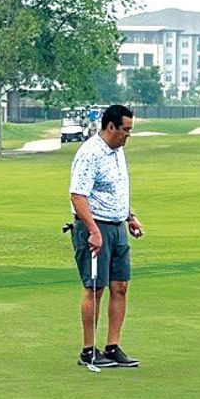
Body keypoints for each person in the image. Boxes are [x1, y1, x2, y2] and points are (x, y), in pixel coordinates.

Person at [68, 104, 145, 368]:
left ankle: (112, 347)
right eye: (125, 130)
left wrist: (129, 216)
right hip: (94, 227)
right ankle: (88, 350)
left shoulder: (117, 151)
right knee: (95, 288)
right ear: (111, 126)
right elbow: (78, 196)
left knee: (120, 287)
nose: (128, 136)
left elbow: (116, 191)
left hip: (117, 226)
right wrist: (93, 231)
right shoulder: (91, 153)